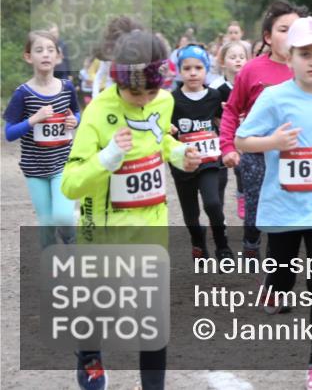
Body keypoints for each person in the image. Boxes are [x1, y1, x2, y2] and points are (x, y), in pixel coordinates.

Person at [61, 28, 199, 390]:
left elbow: (159, 141)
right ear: (118, 78)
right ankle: (89, 359)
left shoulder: (164, 101)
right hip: (101, 234)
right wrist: (107, 158)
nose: (142, 100)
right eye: (133, 92)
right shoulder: (97, 113)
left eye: (150, 92)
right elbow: (71, 183)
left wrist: (182, 155)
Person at [236, 16, 312, 390]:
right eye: (305, 53)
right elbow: (243, 140)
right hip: (283, 207)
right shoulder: (274, 98)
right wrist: (272, 143)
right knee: (283, 275)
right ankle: (273, 283)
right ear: (290, 57)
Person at [220, 0, 306, 258]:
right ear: (268, 37)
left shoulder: (310, 69)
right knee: (256, 206)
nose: (291, 35)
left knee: (289, 207)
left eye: (297, 29)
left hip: (294, 154)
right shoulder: (252, 68)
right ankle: (251, 243)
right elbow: (232, 110)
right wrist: (227, 147)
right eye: (283, 29)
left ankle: (279, 257)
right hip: (257, 153)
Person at [4, 30, 81, 248]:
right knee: (46, 223)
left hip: (63, 165)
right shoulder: (23, 94)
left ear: (58, 56)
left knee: (64, 217)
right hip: (34, 169)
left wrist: (75, 121)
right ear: (29, 57)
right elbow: (9, 133)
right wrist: (33, 120)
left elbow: (76, 113)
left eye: (50, 50)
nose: (45, 54)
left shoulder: (66, 88)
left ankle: (71, 245)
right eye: (39, 50)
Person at [171, 43, 232, 261]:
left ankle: (222, 246)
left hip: (209, 161)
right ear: (180, 70)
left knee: (213, 203)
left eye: (198, 67)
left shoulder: (215, 96)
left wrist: (224, 123)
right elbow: (164, 132)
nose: (193, 73)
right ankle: (198, 243)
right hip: (182, 163)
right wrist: (169, 131)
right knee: (191, 215)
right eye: (187, 68)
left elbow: (224, 119)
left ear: (206, 69)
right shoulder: (171, 100)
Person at [211, 39, 250, 219]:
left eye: (242, 57)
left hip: (245, 137)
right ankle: (217, 214)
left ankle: (242, 198)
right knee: (220, 178)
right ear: (222, 61)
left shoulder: (251, 84)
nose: (238, 60)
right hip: (221, 137)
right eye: (233, 57)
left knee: (242, 169)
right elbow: (210, 114)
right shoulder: (215, 88)